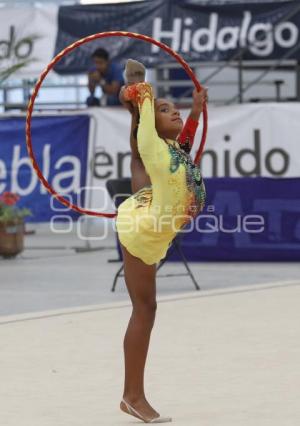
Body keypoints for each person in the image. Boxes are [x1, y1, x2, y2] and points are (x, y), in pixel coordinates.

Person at [116, 61, 207, 423]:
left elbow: (183, 144)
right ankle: (132, 396)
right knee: (145, 309)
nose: (176, 111)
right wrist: (137, 87)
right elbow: (138, 110)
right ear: (150, 125)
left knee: (148, 308)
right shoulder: (151, 145)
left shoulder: (174, 152)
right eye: (166, 109)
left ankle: (131, 395)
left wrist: (196, 113)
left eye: (176, 108)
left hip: (160, 231)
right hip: (143, 230)